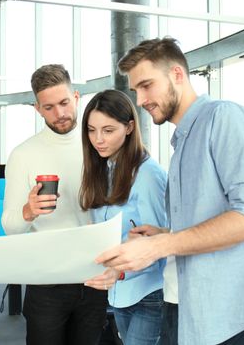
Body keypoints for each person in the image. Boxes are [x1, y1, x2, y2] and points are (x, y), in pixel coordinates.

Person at [95, 37, 244, 345]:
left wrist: (161, 245)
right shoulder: (185, 138)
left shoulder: (226, 118)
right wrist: (162, 235)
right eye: (136, 90)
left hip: (225, 308)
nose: (141, 99)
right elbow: (211, 218)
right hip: (184, 302)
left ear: (177, 75)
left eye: (147, 85)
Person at [2, 64, 114, 345]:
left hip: (94, 277)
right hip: (47, 283)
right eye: (49, 107)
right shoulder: (23, 155)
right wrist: (28, 211)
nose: (60, 113)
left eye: (64, 103)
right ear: (37, 109)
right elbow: (10, 227)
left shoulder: (100, 146)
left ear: (76, 97)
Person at [79, 89, 166, 345]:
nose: (98, 139)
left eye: (108, 130)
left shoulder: (148, 175)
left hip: (149, 293)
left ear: (129, 127)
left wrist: (118, 272)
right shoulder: (102, 169)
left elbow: (161, 245)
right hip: (117, 293)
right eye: (92, 130)